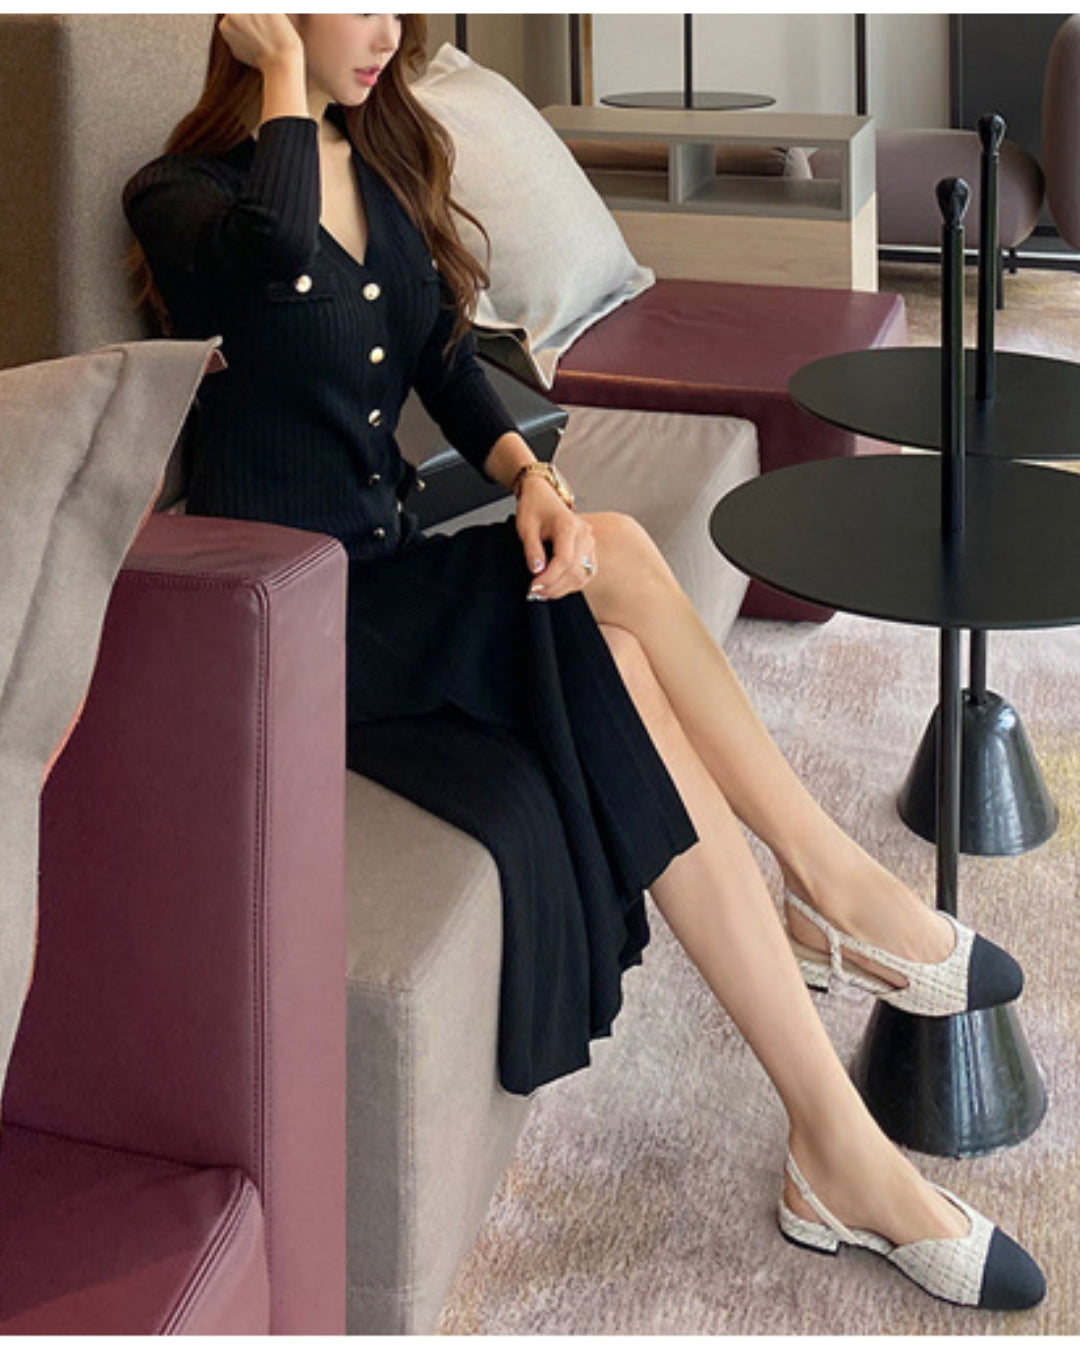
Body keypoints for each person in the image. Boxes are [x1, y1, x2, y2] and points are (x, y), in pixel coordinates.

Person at [122, 13, 1045, 1312]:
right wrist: (278, 70)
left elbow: (445, 357)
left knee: (607, 581)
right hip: (293, 617)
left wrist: (530, 477)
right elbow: (271, 262)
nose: (390, 29)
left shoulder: (371, 160)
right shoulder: (180, 194)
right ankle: (834, 956)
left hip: (393, 564)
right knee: (604, 622)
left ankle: (831, 1038)